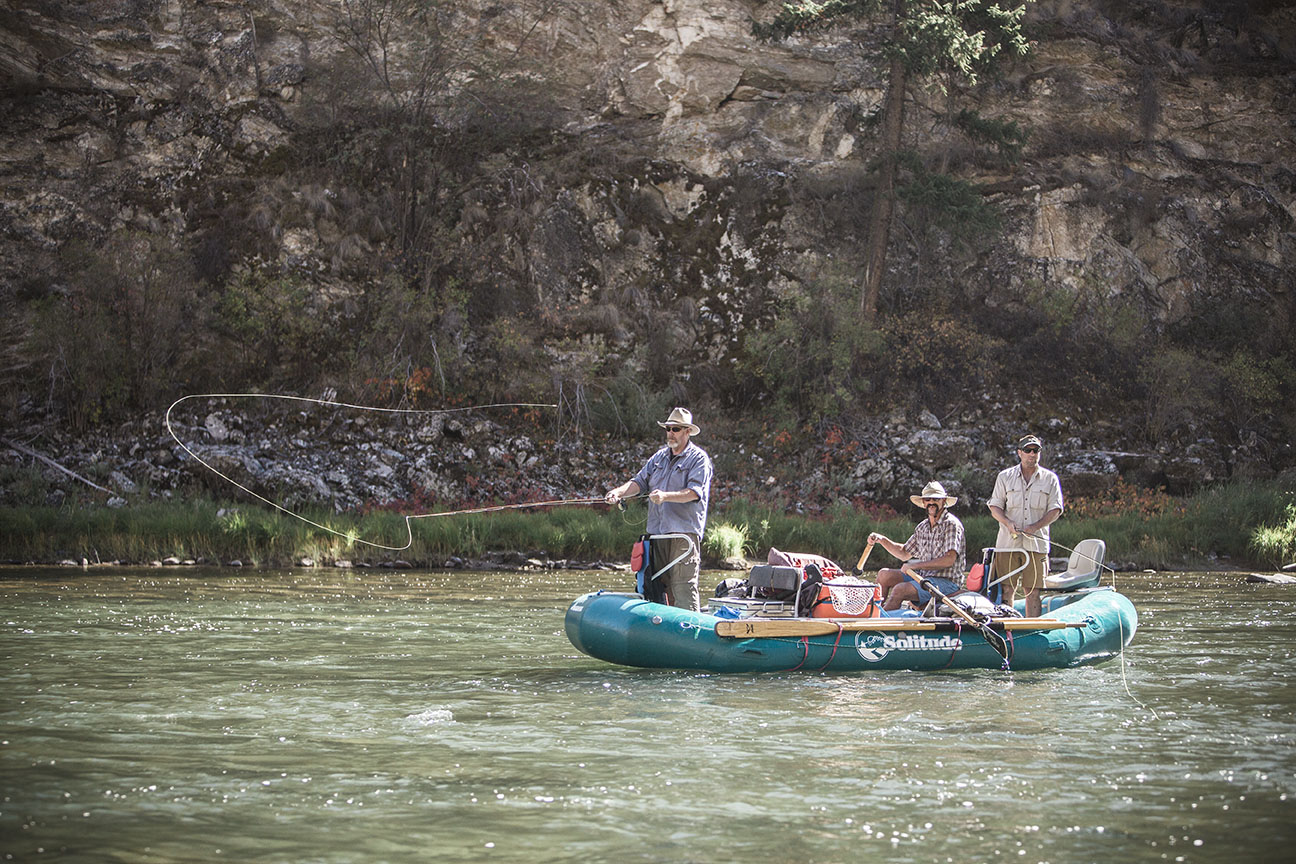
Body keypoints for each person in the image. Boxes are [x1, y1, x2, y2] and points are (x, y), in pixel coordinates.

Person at [605, 407, 713, 611]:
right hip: (657, 535)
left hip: (684, 536)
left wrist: (665, 496)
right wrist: (618, 493)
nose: (671, 433)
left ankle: (689, 632)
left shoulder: (699, 459)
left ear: (687, 431)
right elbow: (638, 482)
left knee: (683, 587)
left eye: (676, 429)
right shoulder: (658, 458)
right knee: (657, 587)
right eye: (668, 428)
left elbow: (694, 493)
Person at [986, 434, 1064, 618]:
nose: (1032, 454)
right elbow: (994, 507)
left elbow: (1056, 510)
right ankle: (1008, 628)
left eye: (1035, 450)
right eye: (1028, 450)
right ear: (1019, 453)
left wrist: (1035, 527)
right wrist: (1007, 523)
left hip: (1037, 545)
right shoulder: (1004, 477)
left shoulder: (1050, 479)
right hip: (1007, 544)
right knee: (1006, 589)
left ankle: (1031, 630)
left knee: (1033, 591)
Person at [868, 481, 966, 612]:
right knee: (884, 575)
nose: (931, 502)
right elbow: (904, 553)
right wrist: (881, 539)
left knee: (900, 590)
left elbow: (949, 559)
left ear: (943, 501)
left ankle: (880, 623)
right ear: (923, 503)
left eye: (936, 499)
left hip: (948, 582)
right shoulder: (922, 527)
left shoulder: (952, 525)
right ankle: (871, 613)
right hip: (924, 578)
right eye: (927, 499)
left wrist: (914, 565)